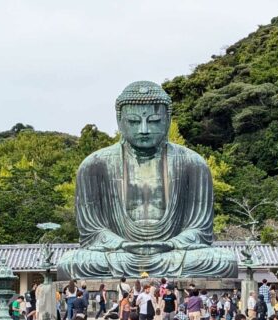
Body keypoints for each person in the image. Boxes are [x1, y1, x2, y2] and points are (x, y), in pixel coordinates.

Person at [56, 81, 238, 280]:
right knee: (71, 262)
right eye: (134, 122)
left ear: (167, 120)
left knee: (223, 261)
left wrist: (172, 243)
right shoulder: (95, 164)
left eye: (153, 121)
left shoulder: (192, 163)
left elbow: (200, 230)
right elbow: (92, 232)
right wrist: (121, 244)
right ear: (120, 121)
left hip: (173, 253)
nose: (143, 129)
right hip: (119, 254)